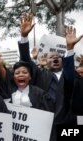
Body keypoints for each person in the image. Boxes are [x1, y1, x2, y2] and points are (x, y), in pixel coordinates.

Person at [17, 13, 83, 141]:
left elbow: (69, 75)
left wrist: (70, 49)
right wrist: (24, 37)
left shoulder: (71, 74)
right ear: (46, 61)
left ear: (63, 60)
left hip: (69, 126)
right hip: (45, 125)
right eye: (51, 57)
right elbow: (26, 61)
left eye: (58, 56)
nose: (55, 58)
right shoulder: (41, 75)